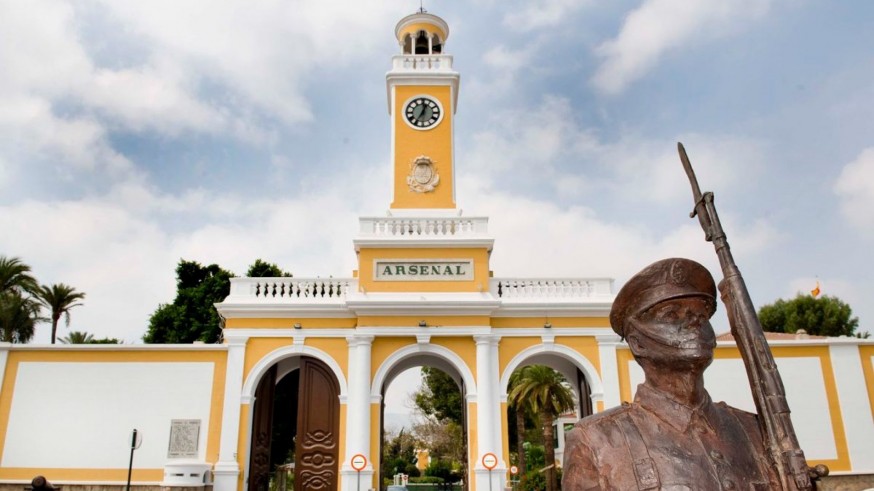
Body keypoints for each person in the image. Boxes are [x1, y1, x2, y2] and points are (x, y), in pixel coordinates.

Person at [562, 258, 780, 491]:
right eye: (671, 315)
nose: (694, 322)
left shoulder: (755, 428)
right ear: (637, 343)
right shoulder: (595, 441)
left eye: (702, 315)